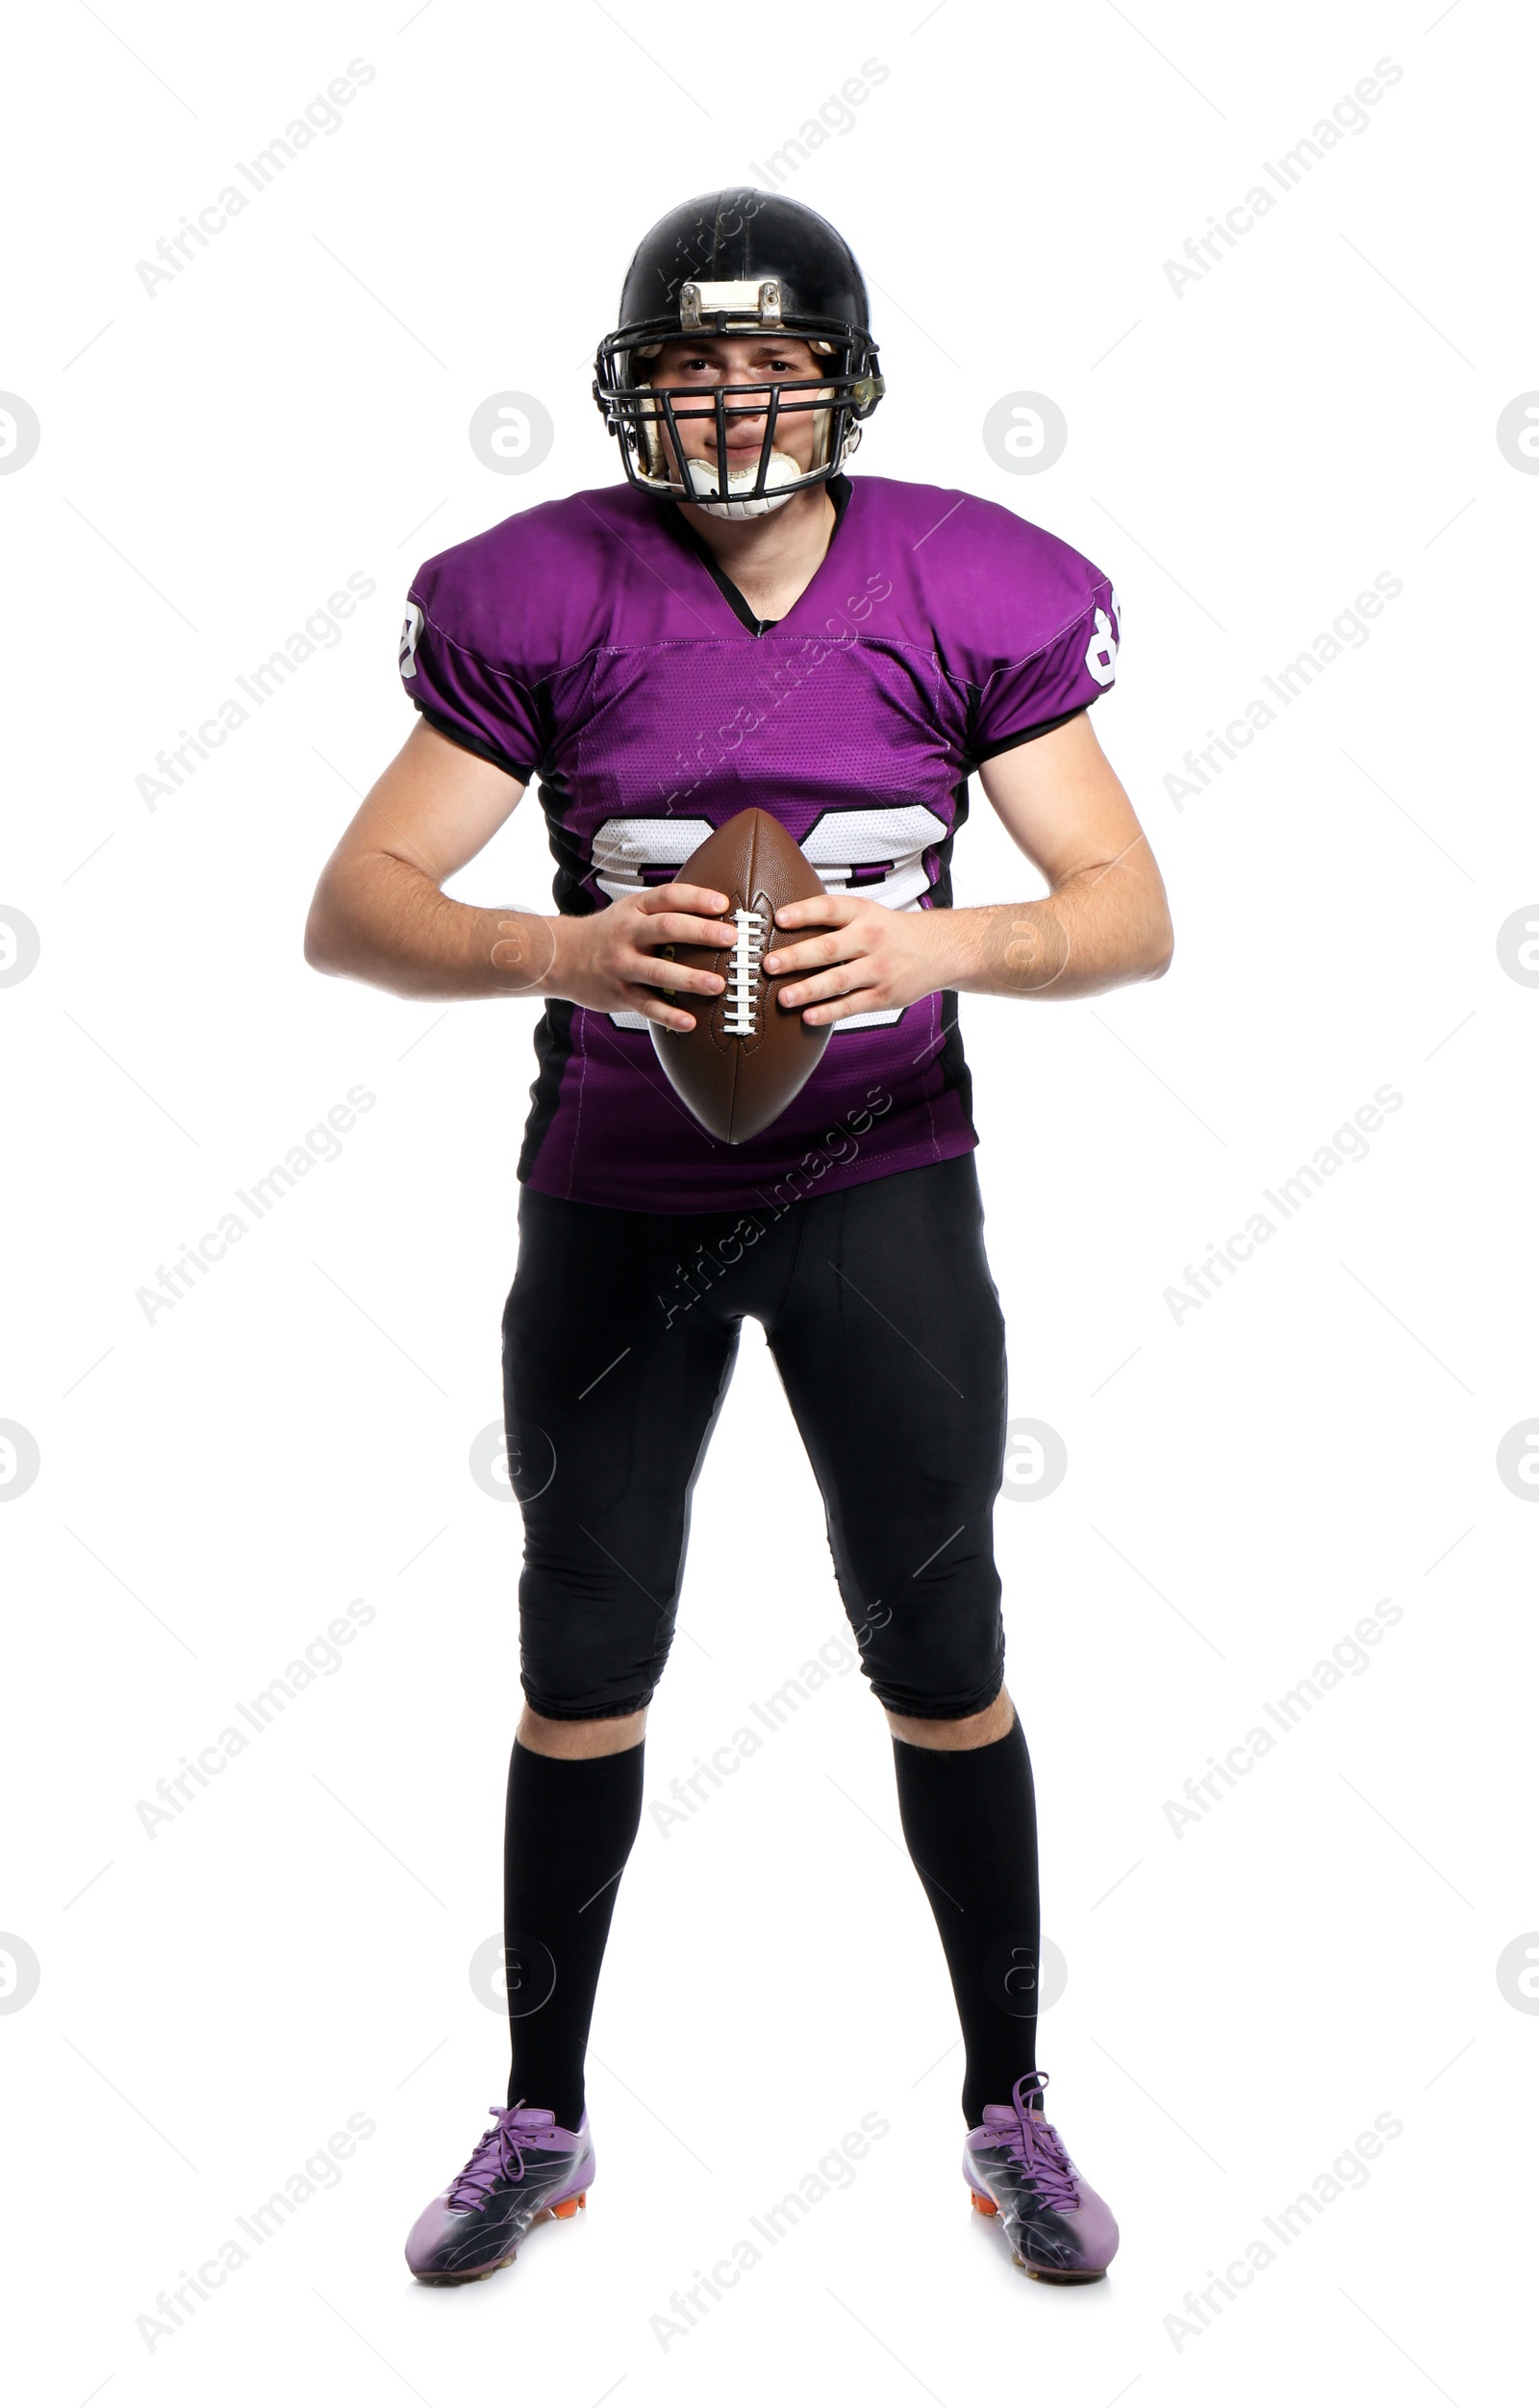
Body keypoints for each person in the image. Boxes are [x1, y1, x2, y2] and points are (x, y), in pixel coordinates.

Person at [304, 188, 1173, 2290]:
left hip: (880, 1192)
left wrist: (932, 937)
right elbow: (359, 903)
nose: (724, 407)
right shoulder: (537, 596)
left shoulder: (967, 584)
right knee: (579, 1666)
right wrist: (565, 945)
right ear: (631, 390)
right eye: (685, 372)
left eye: (762, 365)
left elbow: (1122, 911)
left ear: (839, 378)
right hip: (614, 1197)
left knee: (941, 1654)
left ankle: (1006, 2101)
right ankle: (541, 2114)